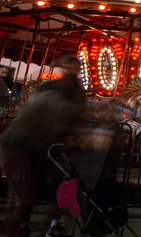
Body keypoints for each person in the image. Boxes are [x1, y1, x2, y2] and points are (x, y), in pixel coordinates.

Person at [0, 55, 87, 237]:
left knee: (42, 188)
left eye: (73, 68)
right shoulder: (59, 96)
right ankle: (21, 225)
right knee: (26, 194)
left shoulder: (59, 93)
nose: (70, 72)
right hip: (25, 143)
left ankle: (33, 223)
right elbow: (69, 122)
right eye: (67, 68)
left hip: (35, 144)